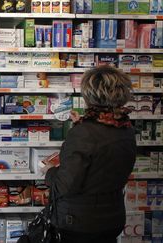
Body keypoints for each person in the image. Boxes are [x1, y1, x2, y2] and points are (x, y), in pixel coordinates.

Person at [41, 66, 137, 243]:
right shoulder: (125, 127)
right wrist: (82, 127)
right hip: (112, 218)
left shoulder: (85, 133)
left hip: (80, 222)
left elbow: (65, 186)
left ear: (89, 94)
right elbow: (102, 157)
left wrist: (49, 171)